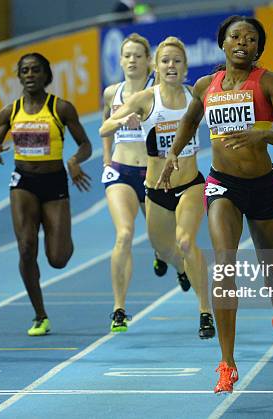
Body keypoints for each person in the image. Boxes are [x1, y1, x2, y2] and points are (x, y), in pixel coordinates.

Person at [157, 15, 273, 393]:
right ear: (222, 43)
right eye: (236, 36)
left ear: (259, 47)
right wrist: (173, 156)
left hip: (263, 186)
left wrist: (262, 134)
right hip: (223, 185)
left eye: (251, 38)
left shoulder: (270, 83)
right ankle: (227, 363)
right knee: (224, 265)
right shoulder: (207, 86)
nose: (243, 42)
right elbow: (190, 121)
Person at [100, 37, 215, 339]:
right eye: (165, 61)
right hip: (155, 190)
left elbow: (224, 122)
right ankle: (169, 261)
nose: (171, 66)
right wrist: (124, 120)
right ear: (157, 66)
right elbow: (104, 128)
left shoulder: (196, 96)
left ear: (186, 67)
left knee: (187, 242)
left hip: (190, 184)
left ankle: (205, 312)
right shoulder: (145, 99)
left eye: (177, 61)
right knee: (164, 249)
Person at [0, 53, 92, 336]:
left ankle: (60, 233)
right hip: (23, 183)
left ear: (46, 75)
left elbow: (85, 144)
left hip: (54, 182)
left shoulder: (61, 108)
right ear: (19, 77)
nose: (30, 74)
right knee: (25, 247)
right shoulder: (9, 112)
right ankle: (39, 314)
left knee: (58, 259)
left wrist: (74, 161)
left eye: (35, 70)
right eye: (25, 71)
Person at [99, 33, 168, 333]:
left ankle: (163, 254)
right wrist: (106, 161)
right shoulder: (111, 93)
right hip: (121, 171)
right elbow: (105, 126)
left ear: (148, 60)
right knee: (124, 235)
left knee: (163, 241)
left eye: (137, 55)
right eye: (126, 55)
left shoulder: (159, 92)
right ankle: (119, 309)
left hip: (152, 173)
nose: (131, 60)